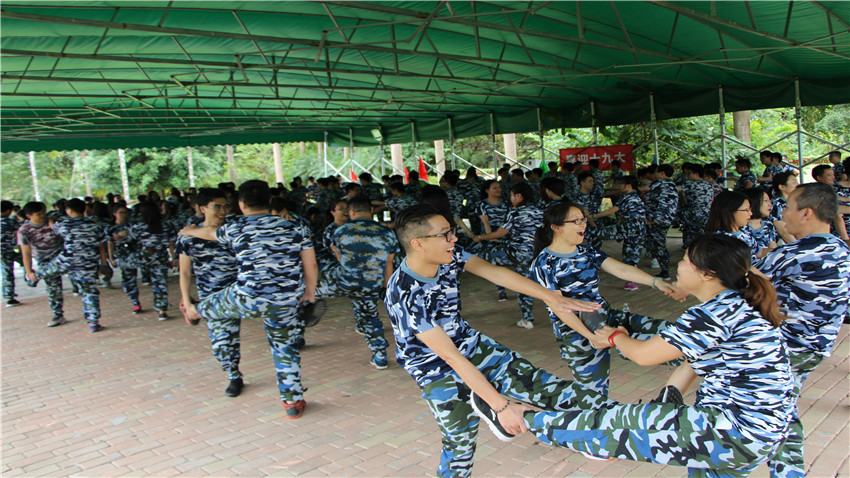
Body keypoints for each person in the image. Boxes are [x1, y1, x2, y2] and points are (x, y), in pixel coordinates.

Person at [476, 234, 794, 477]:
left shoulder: (715, 313)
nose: (679, 265)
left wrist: (615, 336)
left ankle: (519, 420)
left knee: (621, 423)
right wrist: (669, 394)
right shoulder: (736, 305)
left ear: (708, 273)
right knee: (661, 433)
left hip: (733, 431)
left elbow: (644, 355)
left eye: (685, 260)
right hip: (754, 432)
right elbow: (692, 364)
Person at [384, 204, 609, 478]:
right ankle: (486, 403)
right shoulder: (404, 292)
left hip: (471, 344)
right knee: (460, 445)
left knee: (547, 387)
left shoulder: (449, 255)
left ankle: (608, 425)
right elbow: (450, 357)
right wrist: (501, 407)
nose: (454, 239)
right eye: (445, 234)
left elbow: (493, 272)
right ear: (418, 244)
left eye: (452, 232)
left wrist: (551, 296)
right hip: (433, 368)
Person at [179, 180, 319, 419]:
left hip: (247, 297)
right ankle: (292, 403)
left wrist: (188, 231)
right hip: (286, 299)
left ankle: (195, 311)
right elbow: (311, 264)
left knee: (215, 303)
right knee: (285, 349)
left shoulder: (236, 227)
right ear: (270, 202)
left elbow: (209, 234)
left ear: (241, 204)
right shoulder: (296, 227)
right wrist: (310, 292)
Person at [530, 201, 679, 395]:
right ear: (556, 227)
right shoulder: (544, 263)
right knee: (594, 396)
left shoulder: (587, 252)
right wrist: (591, 337)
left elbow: (620, 268)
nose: (583, 224)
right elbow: (558, 307)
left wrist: (655, 282)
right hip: (576, 331)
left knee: (673, 335)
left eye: (583, 219)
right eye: (575, 221)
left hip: (605, 315)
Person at [755, 183, 850, 477]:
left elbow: (744, 281)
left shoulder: (794, 254)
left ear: (806, 212)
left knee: (774, 412)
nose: (782, 213)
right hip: (814, 347)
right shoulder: (839, 248)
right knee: (783, 406)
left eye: (787, 207)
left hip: (787, 348)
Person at [316, 195, 398, 368]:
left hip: (343, 280)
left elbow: (339, 257)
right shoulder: (387, 232)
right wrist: (387, 287)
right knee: (369, 317)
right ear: (371, 211)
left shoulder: (340, 231)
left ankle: (298, 325)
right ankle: (380, 356)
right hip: (371, 283)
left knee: (304, 290)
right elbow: (388, 263)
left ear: (352, 212)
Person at [176, 188, 242, 397]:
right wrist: (187, 302)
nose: (223, 211)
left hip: (241, 294)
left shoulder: (234, 232)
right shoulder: (187, 238)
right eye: (217, 207)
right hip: (212, 298)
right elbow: (185, 273)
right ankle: (234, 375)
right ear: (203, 209)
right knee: (223, 343)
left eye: (225, 206)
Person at [27, 198, 108, 333]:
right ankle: (93, 322)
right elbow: (101, 244)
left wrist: (52, 220)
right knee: (89, 291)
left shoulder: (64, 224)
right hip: (87, 262)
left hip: (67, 259)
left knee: (47, 270)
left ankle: (34, 277)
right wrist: (104, 263)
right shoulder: (96, 226)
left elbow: (54, 228)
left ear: (69, 210)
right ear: (85, 210)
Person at [473, 183, 543, 329]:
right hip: (535, 255)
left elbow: (500, 233)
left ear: (519, 196)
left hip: (517, 254)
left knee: (479, 256)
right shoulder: (539, 211)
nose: (510, 198)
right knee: (525, 284)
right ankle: (526, 319)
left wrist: (480, 237)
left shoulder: (515, 212)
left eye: (512, 195)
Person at [588, 176, 646, 289]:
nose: (619, 186)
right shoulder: (637, 197)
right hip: (640, 229)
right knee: (632, 253)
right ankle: (631, 282)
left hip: (630, 227)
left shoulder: (627, 197)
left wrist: (593, 216)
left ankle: (631, 280)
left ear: (628, 185)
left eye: (621, 184)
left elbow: (611, 211)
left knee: (599, 233)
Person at [18, 202, 66, 326]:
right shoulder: (24, 230)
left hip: (61, 256)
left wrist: (54, 224)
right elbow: (26, 252)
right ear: (29, 216)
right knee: (53, 288)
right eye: (38, 214)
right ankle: (58, 314)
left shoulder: (53, 222)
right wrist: (28, 271)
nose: (42, 216)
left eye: (43, 212)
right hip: (44, 260)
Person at [129, 202, 176, 320]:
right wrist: (174, 257)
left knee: (131, 277)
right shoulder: (166, 225)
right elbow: (171, 242)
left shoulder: (139, 227)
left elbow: (130, 238)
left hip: (146, 255)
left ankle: (136, 303)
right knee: (160, 283)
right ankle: (161, 309)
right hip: (161, 255)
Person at [643, 164, 679, 279]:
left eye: (657, 173)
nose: (655, 175)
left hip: (658, 219)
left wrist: (630, 187)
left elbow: (646, 188)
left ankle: (665, 270)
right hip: (667, 219)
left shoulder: (661, 183)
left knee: (659, 244)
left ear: (662, 173)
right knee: (659, 242)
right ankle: (664, 269)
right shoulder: (672, 185)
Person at [106, 204, 143, 314]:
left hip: (135, 254)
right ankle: (135, 301)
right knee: (128, 279)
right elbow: (110, 243)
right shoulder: (110, 228)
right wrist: (111, 257)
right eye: (121, 213)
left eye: (125, 212)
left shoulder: (132, 226)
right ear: (114, 214)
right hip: (122, 255)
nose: (124, 215)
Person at [706, 190, 760, 263]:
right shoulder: (722, 241)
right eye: (746, 210)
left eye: (750, 209)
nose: (751, 213)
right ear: (729, 212)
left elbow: (759, 252)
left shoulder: (744, 230)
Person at [743, 188, 778, 259]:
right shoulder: (741, 227)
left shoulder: (769, 225)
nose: (770, 204)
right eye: (766, 200)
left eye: (769, 200)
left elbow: (773, 249)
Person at [1, 200, 21, 307]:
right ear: (8, 210)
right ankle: (9, 297)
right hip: (6, 250)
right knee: (7, 271)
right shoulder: (11, 221)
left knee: (5, 271)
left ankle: (7, 293)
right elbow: (18, 233)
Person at [770, 171, 798, 244]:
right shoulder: (778, 204)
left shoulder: (794, 202)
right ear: (782, 187)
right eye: (794, 182)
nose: (797, 185)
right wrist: (798, 246)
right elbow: (784, 232)